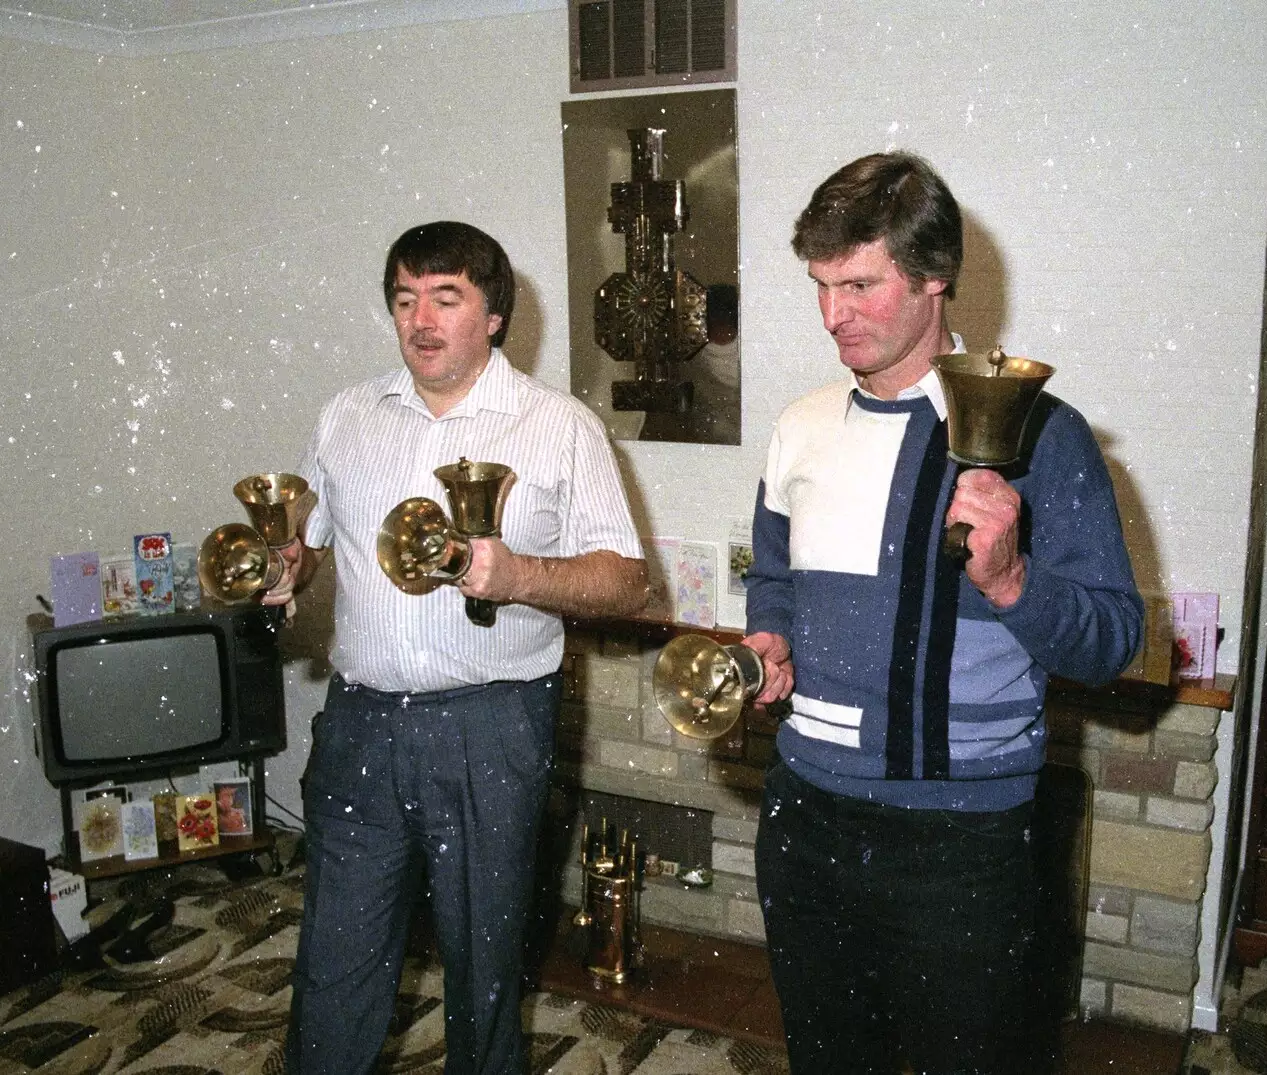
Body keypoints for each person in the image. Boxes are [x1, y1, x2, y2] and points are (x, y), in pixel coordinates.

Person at [742, 152, 1143, 1074]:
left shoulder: (1044, 431)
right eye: (820, 285)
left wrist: (1012, 581)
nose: (833, 314)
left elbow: (1113, 642)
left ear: (935, 280)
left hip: (964, 839)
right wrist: (773, 633)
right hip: (807, 818)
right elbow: (774, 576)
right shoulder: (797, 427)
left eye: (860, 285)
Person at [264, 220, 648, 1075]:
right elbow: (314, 537)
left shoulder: (558, 426)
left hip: (491, 726)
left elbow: (625, 580)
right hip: (361, 723)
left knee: (482, 973)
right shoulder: (346, 416)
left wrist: (516, 574)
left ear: (496, 315)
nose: (421, 321)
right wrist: (290, 564)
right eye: (405, 300)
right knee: (333, 964)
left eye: (447, 298)